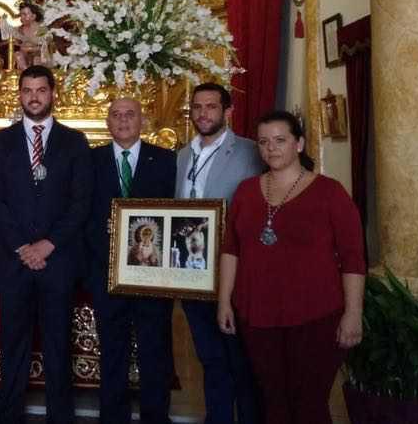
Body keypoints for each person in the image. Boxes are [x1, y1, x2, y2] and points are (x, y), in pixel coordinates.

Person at [218, 111, 364, 424]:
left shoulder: (330, 192)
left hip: (315, 316)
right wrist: (224, 301)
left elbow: (353, 258)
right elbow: (231, 249)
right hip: (257, 315)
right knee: (272, 402)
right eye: (263, 142)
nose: (271, 148)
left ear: (299, 144)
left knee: (309, 404)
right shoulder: (246, 191)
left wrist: (353, 313)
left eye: (280, 140)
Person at [0, 65, 92, 424]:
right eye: (28, 90)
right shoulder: (0, 141)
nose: (34, 97)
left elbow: (81, 202)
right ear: (19, 95)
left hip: (57, 261)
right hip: (13, 261)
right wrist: (22, 246)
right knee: (13, 344)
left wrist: (48, 244)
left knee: (57, 344)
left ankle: (61, 416)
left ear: (52, 94)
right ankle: (8, 415)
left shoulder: (74, 142)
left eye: (41, 90)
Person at [175, 83, 263, 424]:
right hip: (193, 273)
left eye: (211, 107)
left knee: (241, 360)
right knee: (210, 358)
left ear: (228, 111)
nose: (203, 114)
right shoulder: (182, 155)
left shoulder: (251, 152)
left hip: (236, 272)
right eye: (197, 107)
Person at [85, 97, 177, 424]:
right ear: (107, 122)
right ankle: (113, 417)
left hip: (152, 274)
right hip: (105, 272)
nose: (123, 120)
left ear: (143, 120)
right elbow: (80, 210)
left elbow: (175, 213)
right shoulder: (91, 160)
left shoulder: (166, 160)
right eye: (116, 115)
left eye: (130, 114)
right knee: (113, 351)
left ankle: (155, 417)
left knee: (155, 350)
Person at [0, 2, 53, 70]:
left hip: (40, 56)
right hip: (24, 56)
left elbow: (46, 43)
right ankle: (26, 72)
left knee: (36, 59)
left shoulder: (42, 29)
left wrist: (32, 48)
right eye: (21, 15)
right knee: (18, 55)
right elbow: (10, 35)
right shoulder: (19, 29)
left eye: (25, 14)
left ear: (33, 16)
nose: (21, 17)